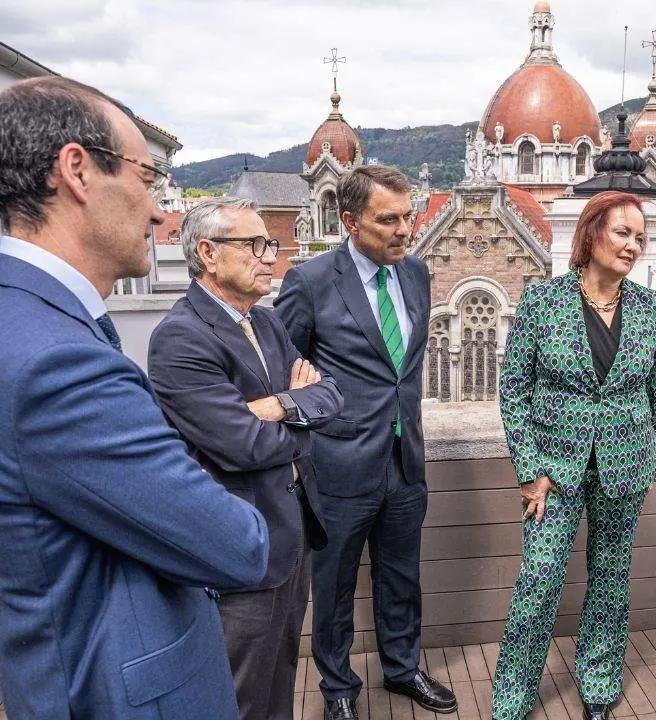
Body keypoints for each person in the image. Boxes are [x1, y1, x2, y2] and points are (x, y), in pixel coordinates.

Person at [0, 77, 269, 719]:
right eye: (148, 179)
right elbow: (238, 544)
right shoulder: (58, 363)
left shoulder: (25, 318)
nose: (156, 210)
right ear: (77, 171)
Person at [148, 198, 343, 720]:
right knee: (239, 693)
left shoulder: (266, 321)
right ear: (208, 253)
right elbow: (244, 445)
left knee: (280, 671)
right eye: (254, 245)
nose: (270, 257)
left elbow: (330, 395)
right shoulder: (180, 337)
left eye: (270, 245)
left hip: (292, 532)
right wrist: (298, 413)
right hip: (241, 549)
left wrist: (277, 405)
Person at [275, 165, 457, 720]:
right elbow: (287, 370)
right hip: (338, 464)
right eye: (388, 220)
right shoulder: (309, 281)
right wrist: (312, 445)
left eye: (409, 217)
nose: (404, 230)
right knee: (332, 586)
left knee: (402, 576)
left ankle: (402, 670)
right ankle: (337, 691)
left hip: (406, 460)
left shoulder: (418, 274)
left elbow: (403, 372)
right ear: (351, 222)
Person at [491, 191, 656, 720]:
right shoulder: (542, 302)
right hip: (553, 472)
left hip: (625, 469)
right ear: (591, 234)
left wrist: (641, 456)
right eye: (622, 233)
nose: (633, 246)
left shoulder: (651, 308)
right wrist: (530, 470)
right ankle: (512, 699)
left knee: (612, 578)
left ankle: (598, 687)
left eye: (640, 237)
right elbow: (514, 390)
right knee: (540, 579)